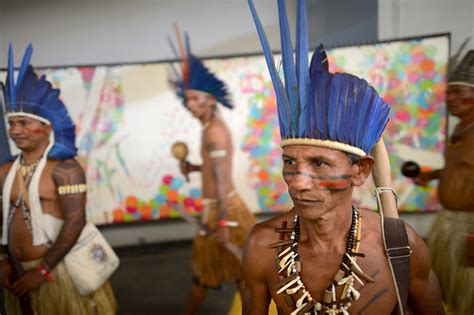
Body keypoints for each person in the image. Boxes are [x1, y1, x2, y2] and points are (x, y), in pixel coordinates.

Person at [243, 1, 444, 314]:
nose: (297, 182)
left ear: (361, 170)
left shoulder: (400, 247)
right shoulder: (261, 247)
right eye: (290, 162)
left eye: (319, 164)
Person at [0, 45, 117, 314]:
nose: (15, 131)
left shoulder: (65, 170)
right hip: (18, 275)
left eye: (23, 123)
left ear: (46, 126)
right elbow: (0, 219)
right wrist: (4, 261)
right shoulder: (5, 173)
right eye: (12, 124)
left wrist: (42, 271)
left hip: (55, 274)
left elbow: (75, 222)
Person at [168, 29, 256, 314]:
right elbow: (214, 167)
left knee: (213, 276)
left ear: (211, 99)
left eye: (195, 98)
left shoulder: (215, 133)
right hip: (220, 208)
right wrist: (194, 166)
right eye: (188, 99)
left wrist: (222, 225)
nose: (190, 105)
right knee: (238, 273)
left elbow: (220, 179)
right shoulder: (208, 128)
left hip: (222, 209)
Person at [412, 49, 474, 315]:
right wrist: (432, 175)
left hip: (468, 226)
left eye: (459, 92)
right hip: (449, 224)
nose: (450, 99)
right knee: (445, 292)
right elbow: (458, 168)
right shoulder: (461, 131)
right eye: (449, 93)